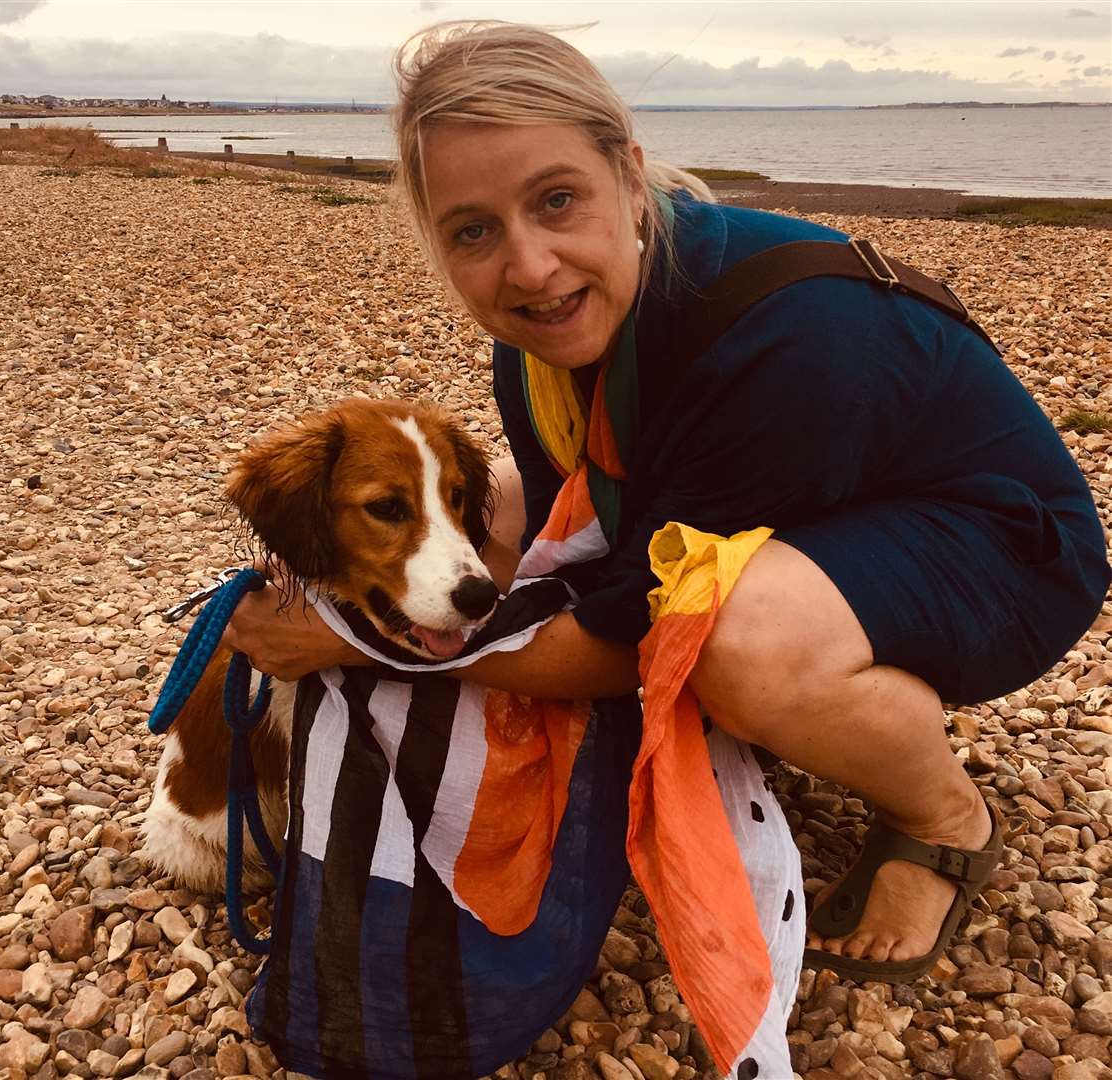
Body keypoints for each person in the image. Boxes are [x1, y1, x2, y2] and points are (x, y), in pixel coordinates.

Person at [221, 21, 1110, 983]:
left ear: (630, 178)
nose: (527, 267)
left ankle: (941, 819)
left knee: (732, 643)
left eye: (557, 200)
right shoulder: (543, 338)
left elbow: (636, 642)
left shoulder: (783, 342)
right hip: (829, 506)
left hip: (1004, 552)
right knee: (500, 504)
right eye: (473, 230)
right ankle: (804, 684)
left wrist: (358, 645)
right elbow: (572, 523)